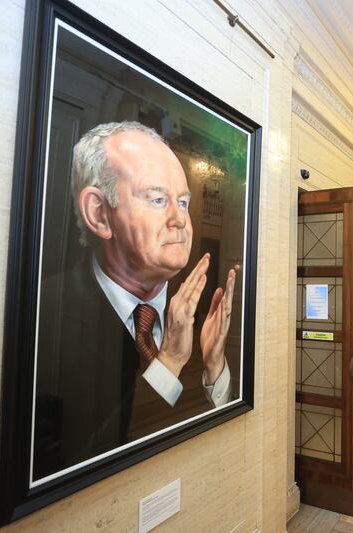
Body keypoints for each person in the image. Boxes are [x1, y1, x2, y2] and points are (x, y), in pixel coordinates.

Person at [33, 121, 236, 480]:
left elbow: (201, 423)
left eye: (184, 202)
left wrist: (214, 366)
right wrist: (170, 362)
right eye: (158, 200)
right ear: (98, 213)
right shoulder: (45, 315)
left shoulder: (193, 314)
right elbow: (82, 460)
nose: (180, 220)